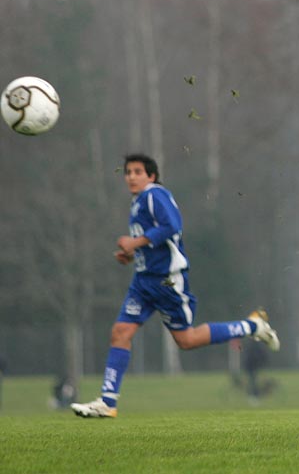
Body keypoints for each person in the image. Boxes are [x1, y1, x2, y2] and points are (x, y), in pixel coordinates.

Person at [71, 153, 280, 418]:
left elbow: (173, 227)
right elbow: (154, 241)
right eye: (128, 172)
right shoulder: (137, 203)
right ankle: (108, 401)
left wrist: (134, 244)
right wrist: (132, 254)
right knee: (120, 332)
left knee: (187, 340)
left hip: (167, 281)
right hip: (143, 282)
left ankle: (252, 325)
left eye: (137, 171)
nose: (131, 176)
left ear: (151, 176)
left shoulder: (154, 194)